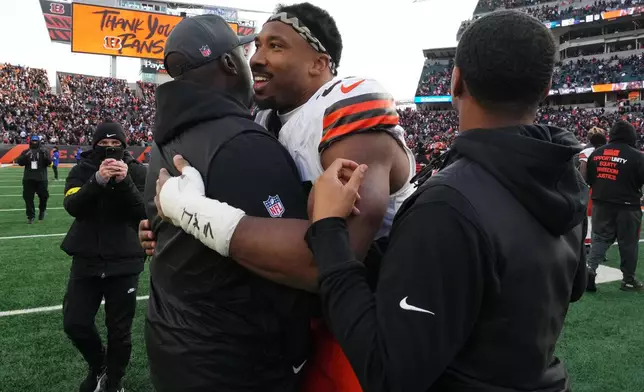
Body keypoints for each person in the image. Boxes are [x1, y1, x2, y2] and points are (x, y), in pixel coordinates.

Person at [302, 10, 588, 391]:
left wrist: (328, 233)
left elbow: (388, 374)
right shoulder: (565, 175)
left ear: (455, 82)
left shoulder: (448, 204)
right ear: (548, 85)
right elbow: (574, 286)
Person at [144, 3, 416, 391]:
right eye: (255, 47)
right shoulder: (262, 121)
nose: (257, 59)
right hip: (316, 322)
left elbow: (334, 262)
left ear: (318, 63)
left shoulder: (346, 105)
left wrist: (190, 212)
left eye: (276, 46)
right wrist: (167, 229)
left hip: (379, 312)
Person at [143, 14, 313, 392]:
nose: (253, 61)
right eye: (245, 51)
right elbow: (309, 262)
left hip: (174, 344)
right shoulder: (241, 143)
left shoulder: (163, 139)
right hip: (236, 363)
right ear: (229, 63)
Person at [61, 122, 147, 392]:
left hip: (125, 259)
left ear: (124, 145)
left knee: (119, 332)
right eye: (103, 144)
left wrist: (125, 183)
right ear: (94, 144)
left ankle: (114, 382)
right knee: (75, 322)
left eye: (115, 144)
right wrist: (96, 180)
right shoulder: (81, 169)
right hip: (87, 256)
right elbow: (73, 206)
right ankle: (100, 365)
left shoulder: (137, 171)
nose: (110, 149)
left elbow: (144, 213)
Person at [586, 120, 644, 292]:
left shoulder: (596, 153)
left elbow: (589, 179)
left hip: (600, 203)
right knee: (629, 244)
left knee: (599, 239)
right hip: (627, 206)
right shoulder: (637, 156)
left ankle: (590, 269)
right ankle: (628, 280)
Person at [578, 127, 607, 249]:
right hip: (605, 186)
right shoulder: (605, 150)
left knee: (589, 216)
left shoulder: (585, 151)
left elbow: (583, 172)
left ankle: (589, 244)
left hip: (591, 187)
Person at [16, 135, 51, 224]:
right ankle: (31, 216)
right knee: (28, 197)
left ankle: (42, 210)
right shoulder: (26, 151)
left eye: (36, 141)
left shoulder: (44, 151)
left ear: (38, 142)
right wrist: (25, 156)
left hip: (41, 178)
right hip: (28, 178)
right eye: (33, 141)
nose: (34, 142)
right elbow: (19, 162)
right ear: (30, 142)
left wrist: (45, 156)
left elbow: (49, 163)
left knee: (44, 196)